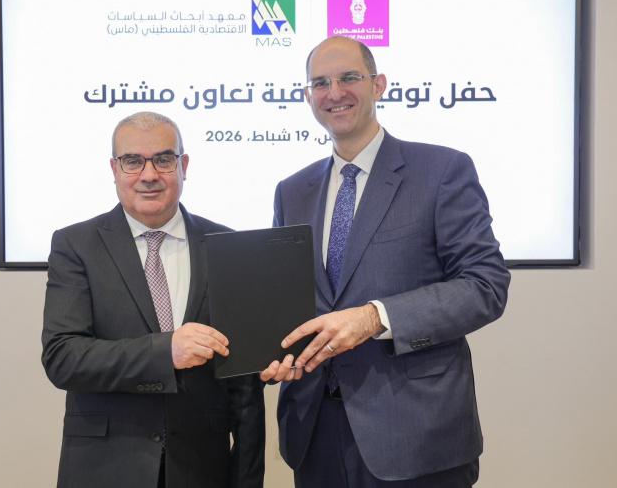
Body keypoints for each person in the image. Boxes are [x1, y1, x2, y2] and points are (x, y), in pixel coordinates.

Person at [261, 37, 510, 487]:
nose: (334, 92)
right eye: (320, 83)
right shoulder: (292, 191)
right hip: (315, 433)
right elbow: (290, 301)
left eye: (348, 78)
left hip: (416, 434)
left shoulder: (441, 171)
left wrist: (376, 317)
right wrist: (274, 353)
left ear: (379, 85)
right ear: (307, 96)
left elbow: (484, 286)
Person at [42, 112, 265, 488]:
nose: (149, 175)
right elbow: (63, 358)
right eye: (133, 161)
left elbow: (245, 390)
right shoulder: (75, 245)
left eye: (163, 159)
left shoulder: (228, 246)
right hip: (105, 470)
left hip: (201, 471)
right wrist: (166, 352)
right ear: (114, 169)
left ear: (184, 165)